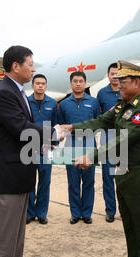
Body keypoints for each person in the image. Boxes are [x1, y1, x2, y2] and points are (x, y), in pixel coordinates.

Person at [61, 60, 140, 257]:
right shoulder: (122, 106)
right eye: (118, 81)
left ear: (137, 82)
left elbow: (120, 141)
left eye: (123, 81)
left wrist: (91, 156)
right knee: (130, 228)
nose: (118, 84)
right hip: (124, 173)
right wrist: (72, 127)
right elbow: (99, 122)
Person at [0, 45, 60, 257]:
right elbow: (20, 127)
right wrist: (54, 134)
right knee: (3, 242)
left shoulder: (17, 91)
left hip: (19, 176)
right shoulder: (4, 92)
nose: (34, 68)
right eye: (30, 64)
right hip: (6, 179)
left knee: (16, 240)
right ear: (15, 66)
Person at [58, 71, 100, 225]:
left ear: (85, 83)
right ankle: (75, 213)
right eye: (75, 81)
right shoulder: (64, 104)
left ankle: (87, 213)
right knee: (73, 181)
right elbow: (62, 125)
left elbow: (97, 123)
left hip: (89, 144)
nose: (78, 84)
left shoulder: (94, 102)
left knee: (89, 182)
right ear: (71, 83)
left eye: (81, 81)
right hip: (71, 145)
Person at [27, 74, 58, 225]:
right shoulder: (26, 102)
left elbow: (56, 126)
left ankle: (42, 213)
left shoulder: (52, 103)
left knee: (45, 182)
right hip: (29, 147)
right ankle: (30, 213)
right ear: (32, 85)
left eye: (43, 83)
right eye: (37, 83)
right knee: (29, 181)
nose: (40, 86)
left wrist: (54, 143)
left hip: (47, 149)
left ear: (46, 86)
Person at [96, 63, 120, 223]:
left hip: (125, 136)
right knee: (108, 176)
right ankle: (110, 210)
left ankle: (126, 209)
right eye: (112, 73)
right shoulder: (101, 93)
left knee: (125, 175)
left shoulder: (128, 91)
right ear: (108, 75)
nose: (115, 76)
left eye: (118, 74)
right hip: (107, 136)